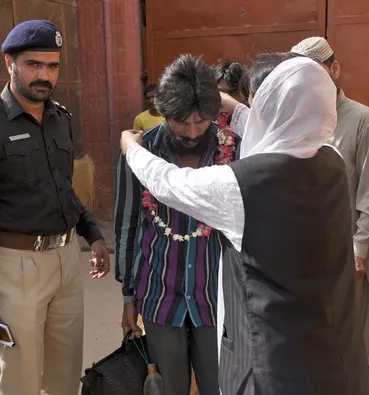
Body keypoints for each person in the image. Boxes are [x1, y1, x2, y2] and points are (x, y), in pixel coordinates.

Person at [119, 55, 369, 394]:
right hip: (334, 346)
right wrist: (222, 102)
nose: (193, 131)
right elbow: (274, 125)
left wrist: (130, 148)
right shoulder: (332, 159)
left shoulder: (242, 186)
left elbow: (168, 184)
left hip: (275, 357)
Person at [0, 20, 109, 395]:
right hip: (15, 266)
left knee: (65, 371)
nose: (44, 75)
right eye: (33, 64)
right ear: (10, 62)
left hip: (67, 259)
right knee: (22, 373)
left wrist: (93, 233)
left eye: (53, 66)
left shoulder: (59, 119)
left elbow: (63, 188)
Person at [115, 54, 237, 395]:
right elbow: (127, 222)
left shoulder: (231, 148)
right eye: (182, 122)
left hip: (216, 296)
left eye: (202, 122)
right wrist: (127, 295)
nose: (193, 131)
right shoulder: (141, 149)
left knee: (220, 385)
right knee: (168, 387)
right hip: (158, 292)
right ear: (163, 112)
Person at [290, 37, 369, 394]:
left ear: (334, 69)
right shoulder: (296, 122)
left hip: (350, 267)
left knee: (352, 359)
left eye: (316, 72)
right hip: (305, 269)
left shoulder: (364, 122)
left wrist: (359, 255)